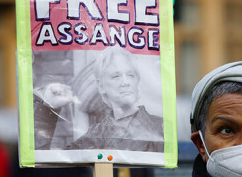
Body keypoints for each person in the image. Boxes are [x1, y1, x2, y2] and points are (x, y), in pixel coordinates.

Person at [34, 47, 163, 151]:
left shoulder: (161, 128)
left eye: (130, 75)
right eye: (116, 76)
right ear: (101, 86)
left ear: (137, 81)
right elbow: (42, 159)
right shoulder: (93, 137)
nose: (126, 82)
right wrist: (47, 111)